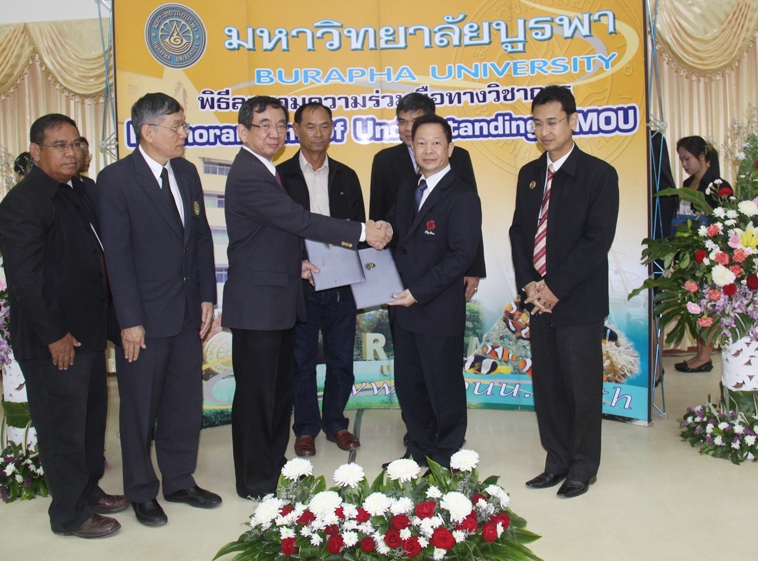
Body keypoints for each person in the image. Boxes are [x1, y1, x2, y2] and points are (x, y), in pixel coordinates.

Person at [222, 95, 391, 499]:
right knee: (258, 397)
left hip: (278, 296)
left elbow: (269, 234)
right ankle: (255, 481)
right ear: (243, 131)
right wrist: (363, 231)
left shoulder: (264, 169)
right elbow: (296, 220)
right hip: (259, 306)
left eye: (279, 124)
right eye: (264, 125)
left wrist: (293, 265)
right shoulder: (249, 173)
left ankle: (271, 466)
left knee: (275, 393)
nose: (274, 132)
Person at [0, 114, 128, 538]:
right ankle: (69, 515)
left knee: (89, 422)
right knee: (62, 430)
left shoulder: (80, 191)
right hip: (54, 340)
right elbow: (25, 280)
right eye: (60, 145)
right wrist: (54, 334)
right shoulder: (23, 202)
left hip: (88, 332)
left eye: (76, 143)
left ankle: (88, 491)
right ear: (36, 152)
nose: (71, 152)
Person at [97, 93, 221, 527]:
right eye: (176, 127)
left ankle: (180, 480)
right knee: (138, 409)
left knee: (183, 403)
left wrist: (207, 295)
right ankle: (141, 491)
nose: (184, 134)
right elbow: (117, 257)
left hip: (186, 312)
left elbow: (200, 238)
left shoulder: (185, 172)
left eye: (184, 126)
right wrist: (130, 321)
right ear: (148, 132)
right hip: (144, 320)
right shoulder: (116, 180)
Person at [509, 85, 619, 498]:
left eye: (552, 122)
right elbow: (519, 233)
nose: (544, 131)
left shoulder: (599, 175)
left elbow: (596, 241)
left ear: (573, 121)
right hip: (538, 300)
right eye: (537, 123)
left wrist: (554, 287)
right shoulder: (530, 174)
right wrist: (530, 284)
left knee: (581, 388)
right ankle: (555, 461)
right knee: (549, 387)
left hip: (577, 301)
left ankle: (583, 467)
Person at [385, 114, 482, 469]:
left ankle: (447, 456)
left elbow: (461, 256)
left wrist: (418, 291)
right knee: (410, 385)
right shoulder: (408, 189)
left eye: (436, 143)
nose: (428, 150)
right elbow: (396, 234)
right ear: (412, 147)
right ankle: (418, 450)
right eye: (421, 143)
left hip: (437, 308)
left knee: (443, 387)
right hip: (404, 307)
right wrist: (381, 231)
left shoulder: (462, 196)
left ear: (450, 148)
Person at [277, 102, 364, 457]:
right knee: (302, 360)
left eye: (325, 126)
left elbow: (357, 230)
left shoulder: (346, 176)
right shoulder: (280, 176)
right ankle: (305, 428)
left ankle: (336, 423)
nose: (318, 133)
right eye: (310, 126)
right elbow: (276, 232)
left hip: (341, 283)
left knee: (341, 358)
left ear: (332, 129)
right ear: (296, 130)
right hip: (299, 282)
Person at [369, 92, 485, 301]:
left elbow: (470, 223)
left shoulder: (459, 158)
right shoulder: (384, 160)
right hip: (398, 269)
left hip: (442, 272)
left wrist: (474, 268)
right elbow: (380, 214)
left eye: (415, 121)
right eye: (402, 122)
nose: (408, 128)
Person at [673, 136, 731, 373]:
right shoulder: (688, 184)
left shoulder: (718, 185)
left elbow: (726, 222)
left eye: (687, 158)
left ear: (702, 156)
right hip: (689, 253)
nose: (684, 164)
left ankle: (705, 356)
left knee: (707, 305)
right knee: (695, 305)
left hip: (710, 254)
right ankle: (699, 354)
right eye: (681, 159)